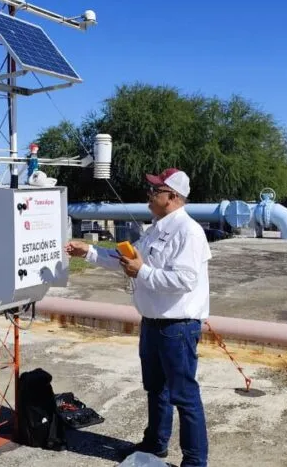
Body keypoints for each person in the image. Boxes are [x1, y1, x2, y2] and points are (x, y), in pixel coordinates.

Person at [65, 168, 211, 467]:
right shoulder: (156, 228)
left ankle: (195, 461)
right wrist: (89, 252)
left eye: (156, 190)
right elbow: (126, 260)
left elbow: (184, 280)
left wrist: (142, 271)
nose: (149, 194)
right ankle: (155, 443)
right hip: (153, 324)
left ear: (172, 197)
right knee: (156, 389)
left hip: (177, 327)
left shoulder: (188, 231)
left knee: (184, 396)